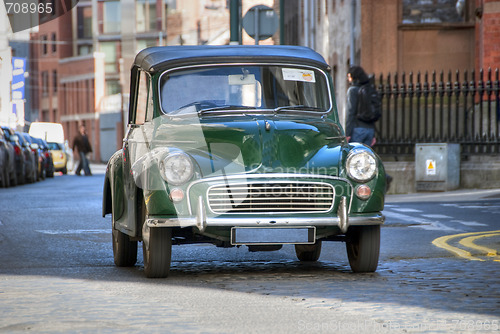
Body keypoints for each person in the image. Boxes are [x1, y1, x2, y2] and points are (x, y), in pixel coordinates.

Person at [345, 66, 377, 146]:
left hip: (357, 129)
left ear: (353, 77)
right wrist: (373, 134)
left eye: (349, 76)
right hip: (370, 130)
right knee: (365, 156)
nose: (348, 79)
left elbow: (350, 112)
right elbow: (372, 111)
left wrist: (347, 133)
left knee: (354, 155)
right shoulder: (369, 89)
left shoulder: (352, 90)